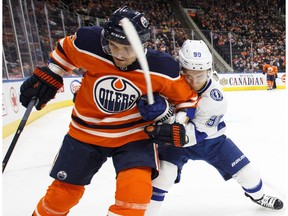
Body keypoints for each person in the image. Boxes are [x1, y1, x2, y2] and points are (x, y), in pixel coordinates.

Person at [19, 6, 198, 216]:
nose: (119, 55)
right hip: (85, 133)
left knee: (135, 196)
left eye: (128, 48)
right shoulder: (88, 42)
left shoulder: (162, 67)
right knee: (61, 196)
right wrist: (52, 72)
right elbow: (64, 51)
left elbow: (188, 99)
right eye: (113, 46)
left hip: (134, 137)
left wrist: (177, 122)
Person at [140, 40, 284, 215]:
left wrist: (162, 125)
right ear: (181, 70)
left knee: (248, 174)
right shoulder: (169, 83)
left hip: (211, 142)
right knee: (163, 178)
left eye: (199, 75)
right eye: (188, 75)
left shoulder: (216, 99)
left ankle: (259, 196)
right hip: (177, 144)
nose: (194, 81)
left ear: (208, 70)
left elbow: (196, 133)